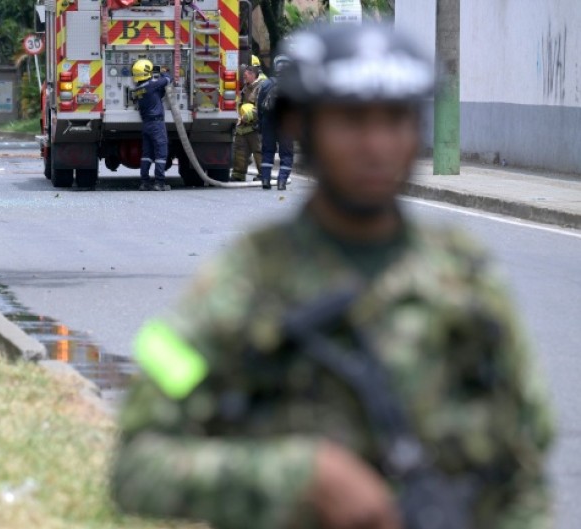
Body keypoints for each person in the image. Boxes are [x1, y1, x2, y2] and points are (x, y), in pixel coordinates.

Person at [111, 23, 554, 529]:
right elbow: (137, 466)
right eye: (350, 120)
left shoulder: (467, 280)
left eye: (395, 120)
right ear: (303, 127)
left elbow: (524, 473)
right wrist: (296, 478)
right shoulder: (243, 282)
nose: (375, 144)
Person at [131, 59, 172, 191]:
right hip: (156, 124)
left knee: (147, 154)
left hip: (146, 125)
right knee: (161, 153)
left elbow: (157, 95)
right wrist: (163, 71)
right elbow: (167, 79)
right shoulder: (152, 85)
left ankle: (144, 182)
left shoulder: (137, 90)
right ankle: (159, 183)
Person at [258, 54, 295, 190]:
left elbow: (260, 106)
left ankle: (266, 180)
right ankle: (281, 182)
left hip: (268, 122)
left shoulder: (267, 83)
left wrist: (260, 124)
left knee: (267, 151)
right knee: (286, 154)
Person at [230, 65, 265, 182]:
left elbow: (259, 106)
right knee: (240, 150)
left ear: (253, 75)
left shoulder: (260, 87)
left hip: (255, 126)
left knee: (259, 151)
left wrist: (247, 117)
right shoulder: (246, 87)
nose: (244, 78)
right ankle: (238, 174)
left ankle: (263, 174)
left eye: (246, 76)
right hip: (243, 125)